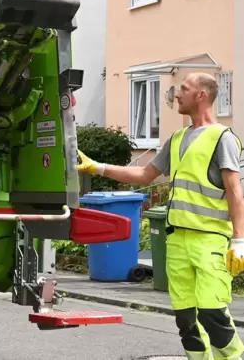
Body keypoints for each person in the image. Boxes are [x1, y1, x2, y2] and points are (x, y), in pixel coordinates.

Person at [77, 72, 244, 360]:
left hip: (211, 241)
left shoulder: (223, 139)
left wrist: (239, 240)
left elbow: (234, 190)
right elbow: (144, 174)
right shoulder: (177, 139)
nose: (176, 95)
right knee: (186, 322)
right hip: (177, 241)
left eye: (184, 88)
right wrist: (97, 168)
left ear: (201, 95)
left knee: (212, 315)